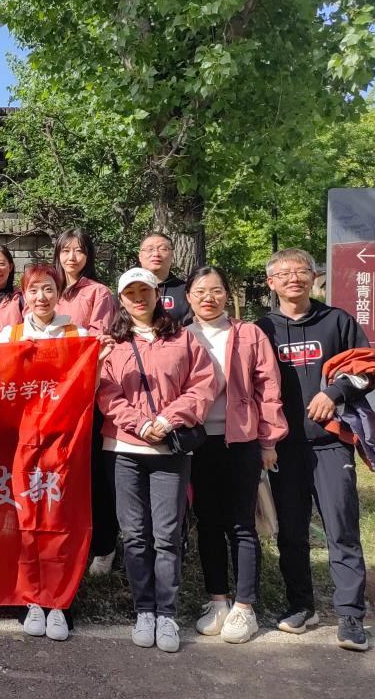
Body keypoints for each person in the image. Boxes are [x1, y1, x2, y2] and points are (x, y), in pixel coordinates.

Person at [257, 248, 371, 651]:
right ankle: (301, 606)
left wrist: (334, 392)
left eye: (301, 271)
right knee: (291, 532)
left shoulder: (337, 321)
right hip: (283, 449)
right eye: (284, 273)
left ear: (313, 277)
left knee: (341, 529)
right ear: (271, 282)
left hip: (330, 444)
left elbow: (367, 367)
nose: (294, 278)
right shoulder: (262, 329)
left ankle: (351, 616)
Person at [97, 267, 215, 653]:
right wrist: (140, 423)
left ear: (156, 294)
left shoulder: (183, 337)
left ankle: (167, 613)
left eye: (144, 291)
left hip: (170, 450)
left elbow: (203, 385)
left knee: (167, 535)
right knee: (134, 535)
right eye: (130, 293)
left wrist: (167, 420)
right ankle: (143, 610)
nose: (138, 298)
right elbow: (106, 393)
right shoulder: (111, 343)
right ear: (121, 299)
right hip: (124, 449)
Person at [0, 263, 115, 642]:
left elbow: (88, 388)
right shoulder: (10, 334)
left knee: (61, 516)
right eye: (33, 290)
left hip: (66, 441)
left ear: (59, 293)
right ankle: (32, 598)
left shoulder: (77, 334)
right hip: (23, 439)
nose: (41, 297)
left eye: (48, 289)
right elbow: (1, 386)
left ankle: (61, 600)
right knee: (26, 516)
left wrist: (99, 359)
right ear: (23, 296)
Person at [184, 266, 287, 644]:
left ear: (227, 294)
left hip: (241, 441)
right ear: (188, 297)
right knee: (208, 523)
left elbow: (268, 389)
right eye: (199, 291)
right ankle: (218, 601)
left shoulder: (248, 334)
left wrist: (268, 441)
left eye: (215, 290)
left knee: (242, 524)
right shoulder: (180, 335)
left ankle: (245, 606)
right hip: (198, 442)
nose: (208, 298)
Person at [53, 229, 119, 576]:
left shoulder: (98, 293)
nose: (72, 257)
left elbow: (96, 341)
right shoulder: (48, 289)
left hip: (86, 394)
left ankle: (105, 545)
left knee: (92, 471)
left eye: (79, 251)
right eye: (66, 250)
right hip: (51, 398)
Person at [138, 232, 190, 325]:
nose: (156, 254)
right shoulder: (128, 291)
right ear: (140, 256)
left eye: (163, 249)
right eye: (150, 249)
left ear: (172, 255)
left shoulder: (186, 291)